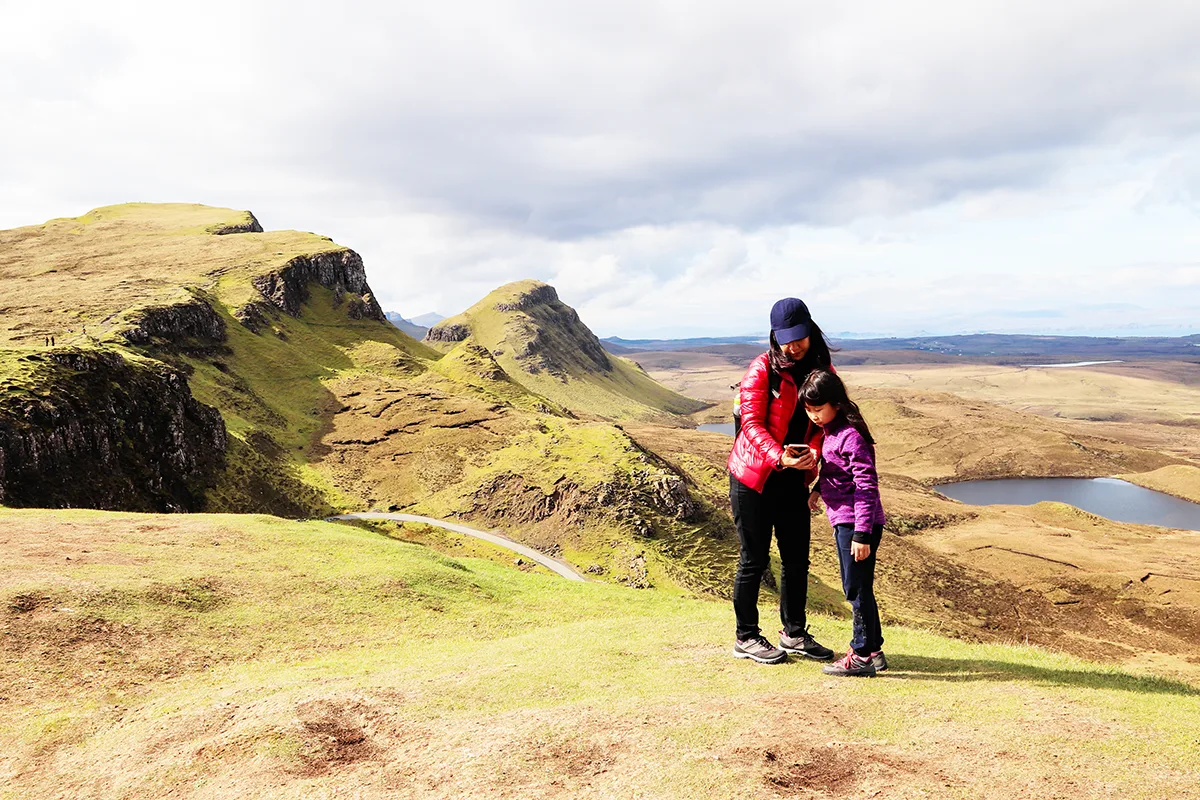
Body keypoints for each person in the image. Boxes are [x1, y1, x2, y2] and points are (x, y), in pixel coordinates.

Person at [727, 298, 836, 664]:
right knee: (754, 560)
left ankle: (794, 633)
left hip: (793, 479)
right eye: (785, 338)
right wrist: (779, 456)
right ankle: (746, 637)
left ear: (810, 329)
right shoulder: (761, 369)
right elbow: (752, 425)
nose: (793, 346)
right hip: (754, 478)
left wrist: (815, 453)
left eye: (798, 337)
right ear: (774, 336)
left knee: (795, 560)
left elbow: (827, 421)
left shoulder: (823, 370)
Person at [799, 369, 888, 677]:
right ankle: (873, 649)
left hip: (856, 524)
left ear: (835, 403)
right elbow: (837, 471)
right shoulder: (832, 432)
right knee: (861, 586)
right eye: (808, 411)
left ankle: (861, 655)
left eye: (817, 409)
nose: (813, 416)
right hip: (847, 521)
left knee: (855, 590)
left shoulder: (851, 436)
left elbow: (866, 486)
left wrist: (861, 534)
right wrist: (818, 489)